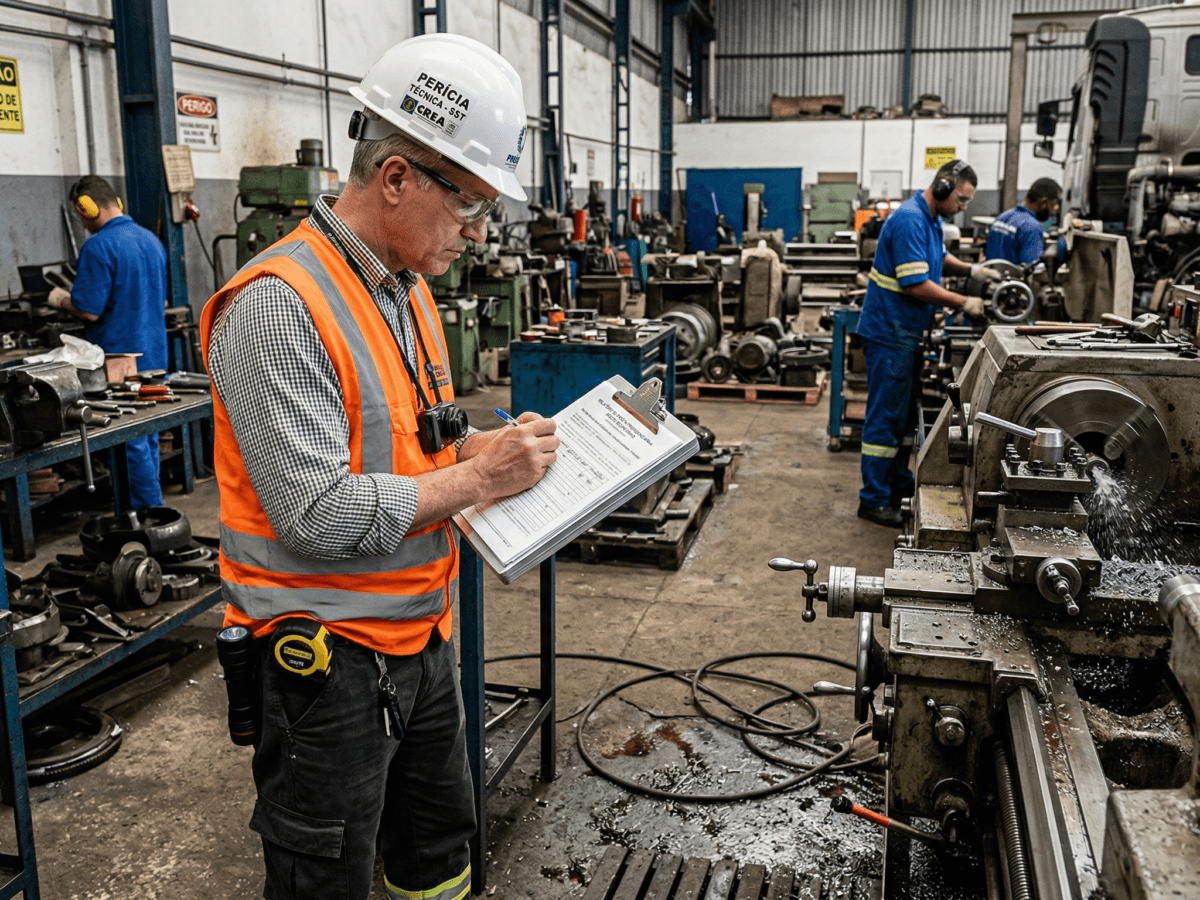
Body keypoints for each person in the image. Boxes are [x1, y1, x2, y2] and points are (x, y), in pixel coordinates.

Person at [201, 34, 559, 900]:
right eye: (469, 205)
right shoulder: (277, 304)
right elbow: (318, 514)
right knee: (325, 876)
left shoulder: (404, 287)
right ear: (396, 177)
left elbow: (410, 440)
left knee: (437, 861)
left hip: (422, 642)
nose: (478, 234)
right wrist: (477, 481)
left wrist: (479, 451)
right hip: (326, 671)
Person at [853, 160, 1001, 528]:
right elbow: (915, 282)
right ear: (942, 187)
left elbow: (935, 260)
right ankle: (872, 499)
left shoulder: (929, 220)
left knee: (902, 418)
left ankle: (896, 481)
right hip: (889, 334)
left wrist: (971, 270)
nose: (964, 208)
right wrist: (963, 301)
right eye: (962, 200)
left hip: (905, 335)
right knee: (884, 419)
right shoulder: (909, 220)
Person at [48, 175, 168, 509]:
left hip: (119, 360)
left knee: (130, 440)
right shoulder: (151, 240)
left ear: (85, 208)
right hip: (154, 352)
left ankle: (147, 514)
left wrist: (59, 299)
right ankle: (151, 508)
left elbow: (88, 310)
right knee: (149, 431)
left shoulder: (98, 246)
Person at [984, 177, 1061, 266]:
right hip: (1013, 279)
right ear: (1044, 202)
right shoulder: (1032, 227)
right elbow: (1032, 270)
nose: (1053, 210)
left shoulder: (1002, 217)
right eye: (1053, 204)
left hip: (990, 276)